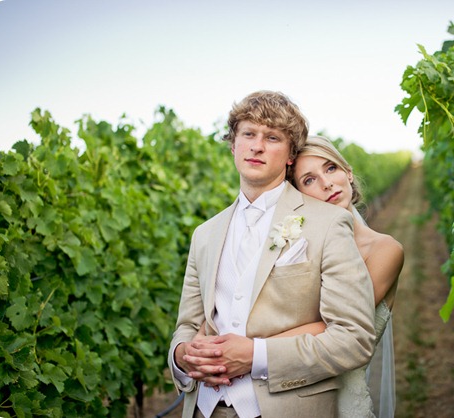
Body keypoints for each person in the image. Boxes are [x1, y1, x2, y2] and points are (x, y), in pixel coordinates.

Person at [168, 91, 377, 418]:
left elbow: (354, 338)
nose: (257, 145)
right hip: (205, 410)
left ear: (291, 154)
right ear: (233, 144)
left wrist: (256, 355)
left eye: (272, 137)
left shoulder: (329, 223)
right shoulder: (204, 235)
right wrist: (182, 356)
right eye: (248, 134)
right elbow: (186, 327)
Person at [284, 135, 404, 417]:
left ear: (348, 173)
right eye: (309, 180)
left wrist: (249, 346)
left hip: (341, 404)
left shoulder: (385, 251)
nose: (326, 183)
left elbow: (335, 328)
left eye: (330, 168)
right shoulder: (295, 248)